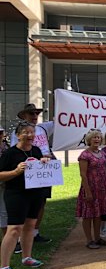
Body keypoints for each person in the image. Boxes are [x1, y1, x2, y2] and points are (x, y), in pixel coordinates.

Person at [0, 122, 50, 269]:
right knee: (14, 228)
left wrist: (43, 163)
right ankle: (4, 267)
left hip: (35, 193)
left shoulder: (35, 150)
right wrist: (16, 171)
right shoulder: (10, 153)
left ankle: (27, 257)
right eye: (26, 132)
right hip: (16, 194)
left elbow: (40, 167)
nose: (30, 135)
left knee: (30, 225)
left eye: (32, 132)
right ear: (18, 135)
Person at [11, 104, 54, 243]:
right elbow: (15, 151)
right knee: (24, 203)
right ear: (24, 116)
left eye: (36, 114)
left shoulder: (42, 128)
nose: (35, 117)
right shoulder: (17, 133)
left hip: (44, 171)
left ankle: (34, 232)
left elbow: (61, 121)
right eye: (31, 114)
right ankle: (18, 237)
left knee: (41, 202)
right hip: (28, 171)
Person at [76, 129, 106, 249]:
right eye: (94, 137)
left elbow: (103, 169)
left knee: (98, 214)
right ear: (89, 140)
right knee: (88, 214)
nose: (96, 139)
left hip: (101, 187)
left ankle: (97, 237)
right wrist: (87, 191)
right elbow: (83, 174)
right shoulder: (84, 155)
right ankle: (89, 240)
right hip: (90, 187)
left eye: (98, 137)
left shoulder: (102, 153)